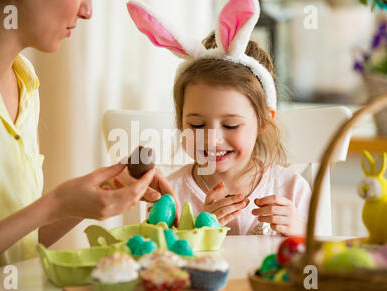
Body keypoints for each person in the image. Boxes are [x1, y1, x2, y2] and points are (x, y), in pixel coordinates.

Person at [0, 0, 177, 290]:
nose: (87, 11)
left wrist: (98, 193)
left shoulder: (24, 81)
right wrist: (51, 206)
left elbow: (14, 246)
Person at [127, 0, 311, 237]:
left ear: (263, 121)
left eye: (230, 125)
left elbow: (321, 263)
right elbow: (158, 263)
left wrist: (302, 232)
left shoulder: (291, 189)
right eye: (197, 125)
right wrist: (195, 231)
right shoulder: (170, 196)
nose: (212, 140)